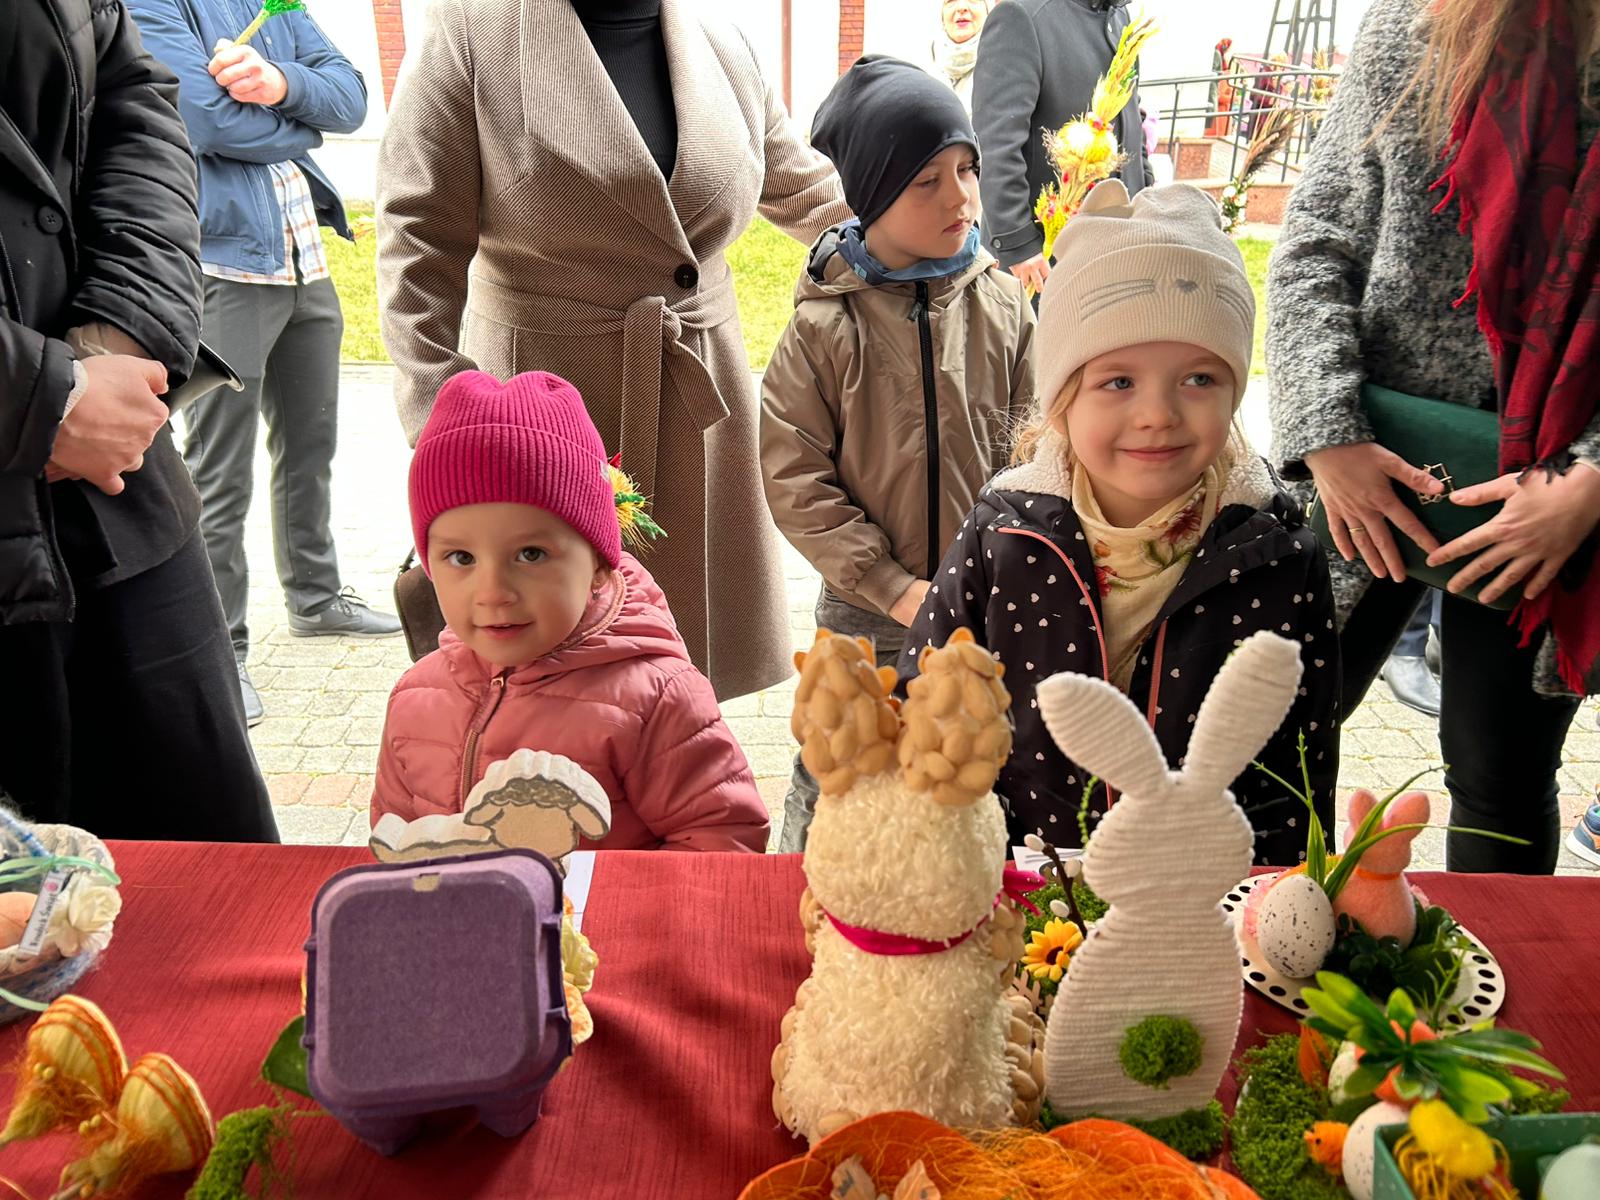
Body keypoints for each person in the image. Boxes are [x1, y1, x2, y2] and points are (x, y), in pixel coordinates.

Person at [377, 0, 849, 705]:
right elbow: (416, 235)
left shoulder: (723, 44)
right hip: (538, 399)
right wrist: (443, 412)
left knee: (682, 674)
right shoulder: (474, 33)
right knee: (546, 682)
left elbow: (806, 190)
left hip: (697, 399)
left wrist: (929, 243)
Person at [902, 180, 1340, 866]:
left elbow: (1302, 762)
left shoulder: (1277, 551)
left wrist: (1285, 889)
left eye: (1199, 379)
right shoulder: (1003, 532)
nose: (1158, 414)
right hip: (1027, 877)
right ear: (1061, 397)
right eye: (1118, 382)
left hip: (1203, 891)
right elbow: (926, 702)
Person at [1267, 0, 1600, 874]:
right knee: (1275, 743)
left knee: (1501, 777)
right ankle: (1265, 944)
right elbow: (1316, 240)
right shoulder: (1411, 28)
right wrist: (1327, 437)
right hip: (1366, 468)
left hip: (1550, 505)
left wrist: (1592, 478)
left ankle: (1486, 966)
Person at [0, 0, 277, 842]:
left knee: (218, 884)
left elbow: (137, 103)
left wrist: (117, 338)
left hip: (122, 499)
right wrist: (38, 398)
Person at [760, 57, 1036, 851]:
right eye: (926, 181)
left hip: (984, 599)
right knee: (838, 766)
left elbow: (1040, 446)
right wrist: (889, 585)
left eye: (968, 170)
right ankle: (802, 887)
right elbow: (795, 477)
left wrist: (1006, 564)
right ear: (874, 194)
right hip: (866, 609)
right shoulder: (824, 329)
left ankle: (968, 893)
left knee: (973, 762)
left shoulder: (1004, 306)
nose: (960, 197)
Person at [127, 0, 400, 728]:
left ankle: (316, 598)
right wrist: (301, 126)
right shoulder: (153, 5)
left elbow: (349, 97)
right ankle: (224, 650)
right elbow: (205, 122)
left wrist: (279, 84)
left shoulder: (271, 1)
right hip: (223, 267)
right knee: (219, 471)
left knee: (312, 445)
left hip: (303, 257)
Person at [371, 371, 769, 852]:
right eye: (461, 558)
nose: (493, 592)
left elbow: (722, 841)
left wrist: (597, 898)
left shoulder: (656, 700)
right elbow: (394, 843)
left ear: (599, 564)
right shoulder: (415, 697)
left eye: (531, 554)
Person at [971, 0, 1155, 298]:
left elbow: (1130, 112)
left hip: (1114, 247)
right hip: (1042, 263)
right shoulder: (1021, 14)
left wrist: (1145, 186)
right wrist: (1018, 244)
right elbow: (996, 142)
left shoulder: (1118, 15)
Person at [931, 0, 993, 110]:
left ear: (988, 10)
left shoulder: (1002, 63)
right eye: (951, 0)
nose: (961, 7)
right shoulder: (923, 62)